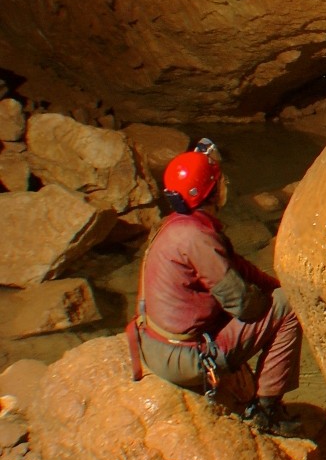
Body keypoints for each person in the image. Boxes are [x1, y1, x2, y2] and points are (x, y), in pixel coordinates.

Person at [126, 138, 303, 437]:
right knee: (288, 306)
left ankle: (256, 394)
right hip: (182, 358)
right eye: (218, 181)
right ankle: (267, 411)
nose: (224, 185)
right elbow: (244, 306)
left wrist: (270, 284)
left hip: (155, 343)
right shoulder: (197, 239)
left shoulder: (178, 225)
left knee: (275, 297)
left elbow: (235, 264)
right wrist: (275, 300)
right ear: (209, 191)